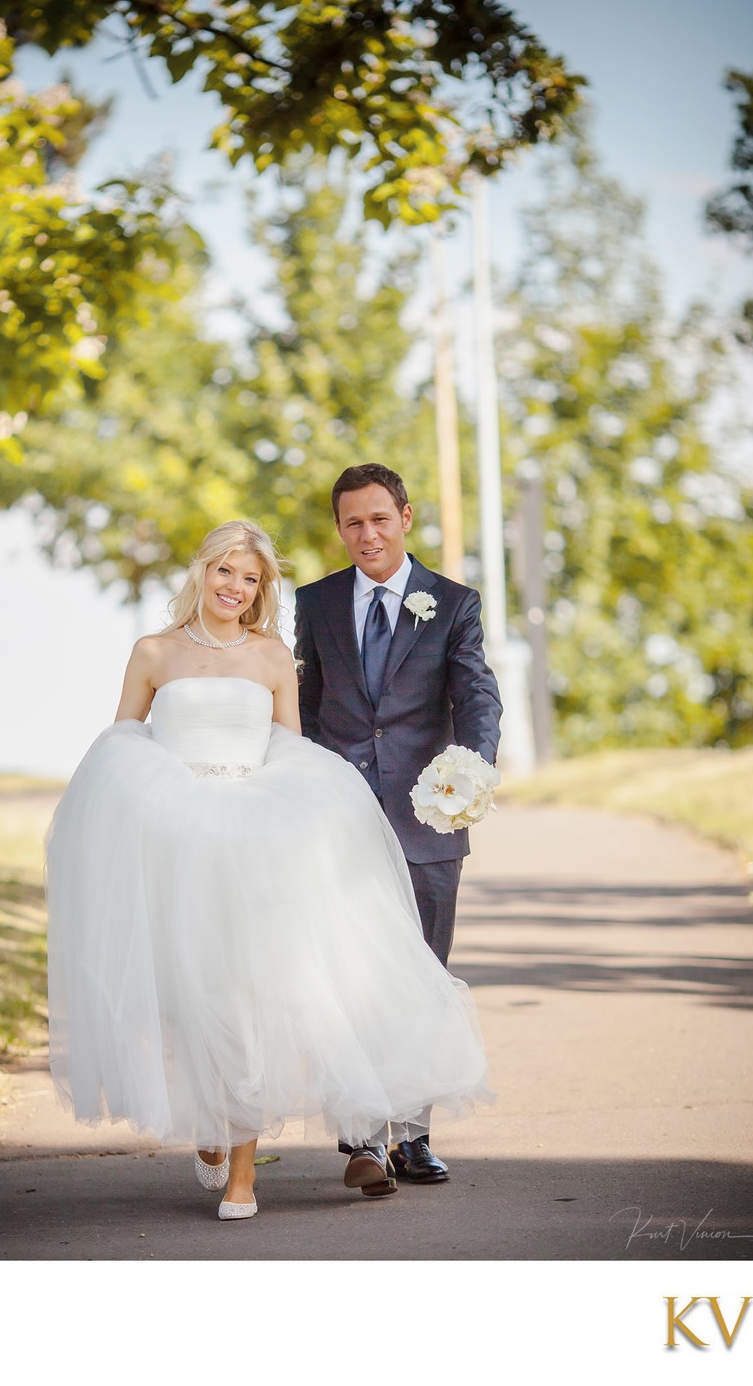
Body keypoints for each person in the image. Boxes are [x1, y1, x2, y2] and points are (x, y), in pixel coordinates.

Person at [46, 520, 493, 1222]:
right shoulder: (152, 652)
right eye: (225, 571)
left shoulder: (271, 656)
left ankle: (243, 1176)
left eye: (249, 578)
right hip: (178, 838)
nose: (235, 587)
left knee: (251, 997)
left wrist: (300, 812)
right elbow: (123, 741)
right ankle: (212, 1126)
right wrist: (159, 800)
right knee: (192, 996)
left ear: (261, 590)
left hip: (254, 838)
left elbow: (291, 748)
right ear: (202, 573)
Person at [294, 464, 502, 1192]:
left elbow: (476, 696)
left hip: (426, 819)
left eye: (379, 518)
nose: (367, 534)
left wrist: (470, 774)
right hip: (340, 822)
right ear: (339, 528)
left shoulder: (452, 603)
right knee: (350, 973)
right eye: (352, 522)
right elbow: (306, 707)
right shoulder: (315, 602)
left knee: (421, 977)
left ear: (405, 517)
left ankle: (412, 1135)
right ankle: (362, 1138)